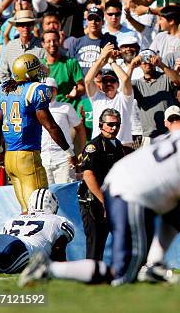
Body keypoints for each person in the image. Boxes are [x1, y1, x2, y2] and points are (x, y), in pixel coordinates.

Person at [19, 125, 180, 286]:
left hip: (133, 175)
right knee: (121, 275)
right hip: (132, 190)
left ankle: (155, 264)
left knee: (176, 213)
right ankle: (49, 270)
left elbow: (179, 127)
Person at [0, 54, 74, 213]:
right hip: (28, 157)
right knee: (40, 210)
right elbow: (51, 127)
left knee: (26, 211)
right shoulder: (34, 90)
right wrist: (69, 151)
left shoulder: (4, 89)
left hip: (10, 157)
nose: (40, 73)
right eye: (37, 70)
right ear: (28, 73)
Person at [0, 189, 74, 275]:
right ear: (54, 205)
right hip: (18, 247)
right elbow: (58, 250)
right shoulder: (59, 220)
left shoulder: (12, 219)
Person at [78, 108, 125, 260]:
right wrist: (104, 202)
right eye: (110, 124)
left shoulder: (117, 144)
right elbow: (88, 174)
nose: (114, 128)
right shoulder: (94, 146)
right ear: (100, 125)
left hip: (110, 200)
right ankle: (91, 274)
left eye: (117, 124)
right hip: (93, 200)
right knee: (95, 242)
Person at [85, 44, 134, 149]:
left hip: (123, 145)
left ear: (117, 83)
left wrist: (111, 61)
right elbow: (88, 80)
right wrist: (102, 58)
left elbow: (125, 79)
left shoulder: (124, 97)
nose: (108, 84)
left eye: (112, 80)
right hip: (100, 146)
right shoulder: (97, 97)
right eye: (105, 81)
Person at [41, 78, 86, 185]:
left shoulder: (66, 107)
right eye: (44, 89)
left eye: (49, 89)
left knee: (66, 192)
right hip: (43, 158)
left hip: (64, 158)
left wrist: (81, 151)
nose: (46, 92)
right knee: (46, 193)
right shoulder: (35, 110)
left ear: (55, 91)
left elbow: (80, 129)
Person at [130, 52, 180, 142]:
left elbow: (178, 81)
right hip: (149, 135)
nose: (147, 62)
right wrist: (131, 66)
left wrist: (161, 64)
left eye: (150, 58)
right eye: (143, 60)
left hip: (170, 132)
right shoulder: (136, 84)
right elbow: (123, 88)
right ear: (139, 64)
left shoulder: (165, 77)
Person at [68, 6, 118, 75]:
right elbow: (70, 66)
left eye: (97, 19)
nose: (93, 22)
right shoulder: (77, 42)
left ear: (103, 22)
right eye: (90, 19)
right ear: (86, 21)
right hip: (80, 84)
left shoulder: (109, 41)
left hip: (101, 83)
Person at [0, 10, 45, 82]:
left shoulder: (42, 45)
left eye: (29, 24)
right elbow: (2, 73)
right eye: (22, 24)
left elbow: (47, 70)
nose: (25, 27)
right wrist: (13, 89)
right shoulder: (10, 46)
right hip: (15, 89)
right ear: (16, 27)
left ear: (33, 26)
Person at [42, 30, 85, 108]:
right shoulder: (39, 65)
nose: (52, 44)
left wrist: (76, 91)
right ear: (43, 44)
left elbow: (81, 87)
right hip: (47, 109)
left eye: (55, 41)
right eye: (48, 41)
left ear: (59, 41)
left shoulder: (71, 62)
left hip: (68, 107)